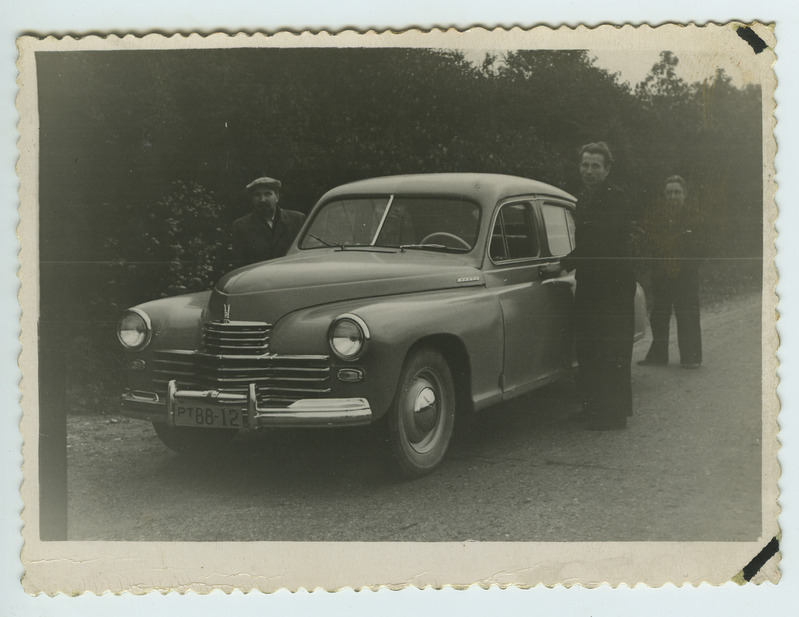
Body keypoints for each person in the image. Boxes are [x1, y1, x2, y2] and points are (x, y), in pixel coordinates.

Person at [562, 142, 638, 430]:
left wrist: (563, 263)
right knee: (589, 346)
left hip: (613, 285)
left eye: (595, 166)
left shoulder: (615, 198)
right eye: (585, 165)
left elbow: (598, 244)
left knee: (611, 349)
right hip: (592, 282)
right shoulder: (585, 199)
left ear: (607, 170)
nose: (589, 171)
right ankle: (592, 408)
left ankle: (614, 414)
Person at [638, 175, 702, 368]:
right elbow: (649, 244)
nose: (673, 196)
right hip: (662, 275)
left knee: (687, 315)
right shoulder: (657, 218)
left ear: (685, 194)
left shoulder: (695, 216)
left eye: (677, 192)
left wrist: (687, 267)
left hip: (685, 276)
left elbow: (703, 247)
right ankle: (658, 356)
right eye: (669, 193)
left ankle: (691, 358)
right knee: (658, 316)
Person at [231, 176, 306, 267]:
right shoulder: (241, 227)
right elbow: (240, 265)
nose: (262, 199)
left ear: (277, 197)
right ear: (252, 199)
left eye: (267, 194)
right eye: (257, 195)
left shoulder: (297, 220)